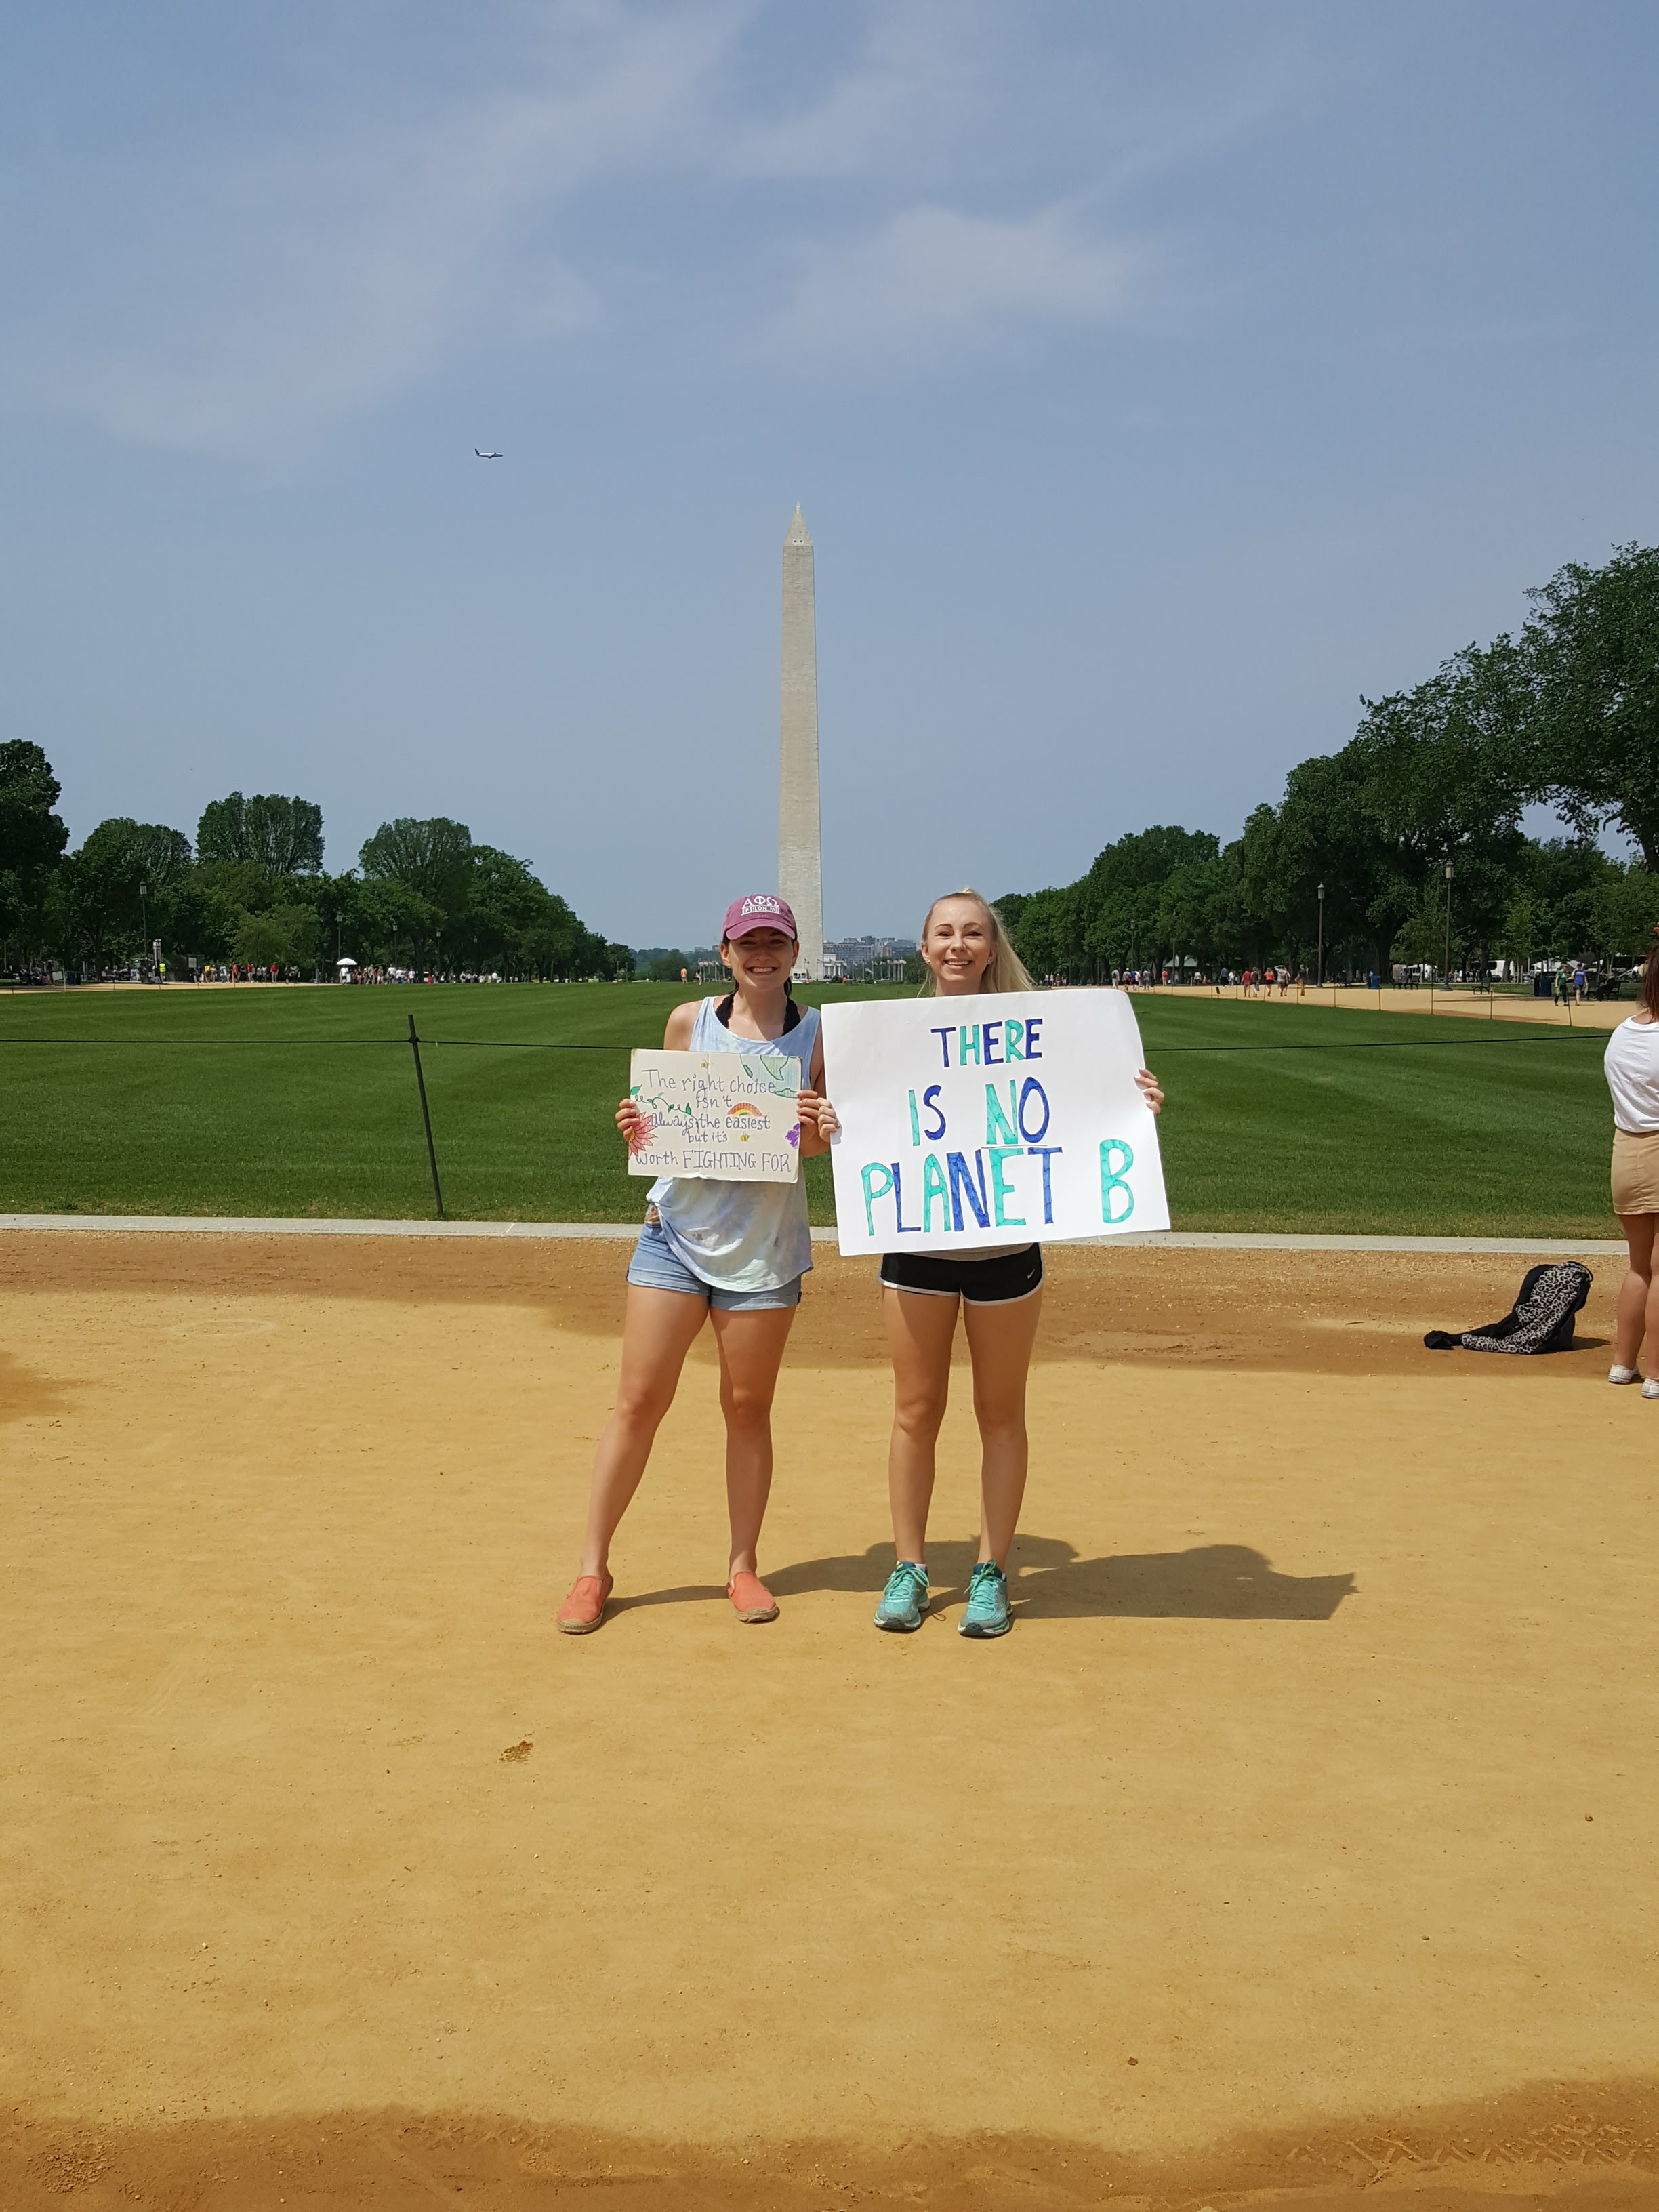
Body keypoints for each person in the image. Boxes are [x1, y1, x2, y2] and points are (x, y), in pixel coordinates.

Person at [865, 889, 1163, 1640]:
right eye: (944, 933)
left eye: (973, 933)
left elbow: (1087, 1103)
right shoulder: (888, 1038)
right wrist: (837, 1121)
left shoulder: (1040, 1036)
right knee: (914, 1412)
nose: (958, 945)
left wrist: (1133, 1106)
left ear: (991, 948)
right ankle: (909, 1567)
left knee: (1000, 1415)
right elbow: (863, 1121)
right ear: (924, 947)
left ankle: (990, 1571)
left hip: (1007, 1254)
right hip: (916, 1249)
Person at [556, 894, 838, 1634]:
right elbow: (660, 1129)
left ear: (795, 952)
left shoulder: (817, 1035)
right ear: (726, 952)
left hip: (765, 1248)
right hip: (674, 1235)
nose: (762, 955)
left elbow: (813, 1150)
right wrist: (635, 1126)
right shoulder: (690, 1022)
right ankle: (592, 1568)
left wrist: (817, 1127)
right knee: (638, 1402)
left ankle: (743, 1566)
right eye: (749, 943)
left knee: (747, 1410)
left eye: (775, 942)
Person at [1605, 939, 1659, 1397]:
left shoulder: (1622, 1033)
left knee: (1640, 1267)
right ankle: (1658, 1373)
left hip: (1627, 1150)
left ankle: (1624, 1364)